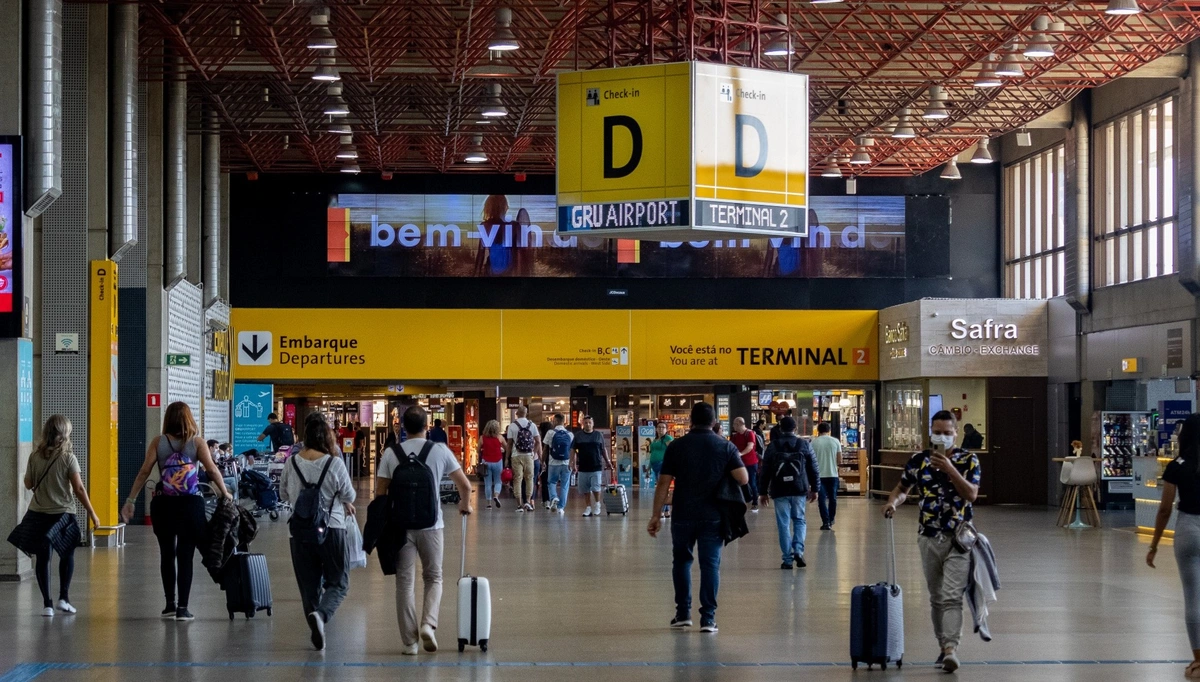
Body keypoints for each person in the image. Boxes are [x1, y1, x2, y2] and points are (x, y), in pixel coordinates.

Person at [883, 410, 981, 674]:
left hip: (959, 538)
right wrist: (893, 502)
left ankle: (951, 648)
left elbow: (971, 494)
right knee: (937, 597)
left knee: (951, 596)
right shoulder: (918, 461)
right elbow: (903, 489)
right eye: (937, 433)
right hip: (928, 536)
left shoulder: (969, 460)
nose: (942, 437)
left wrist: (950, 470)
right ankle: (942, 645)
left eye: (947, 433)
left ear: (956, 433)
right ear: (930, 432)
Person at [122, 402, 232, 621]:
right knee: (185, 554)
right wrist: (225, 492)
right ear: (189, 418)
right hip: (190, 505)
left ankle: (169, 604)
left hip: (164, 505)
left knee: (166, 553)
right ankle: (183, 608)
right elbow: (211, 470)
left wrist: (130, 499)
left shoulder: (159, 442)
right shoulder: (197, 443)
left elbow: (145, 471)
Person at [377, 406, 473, 656]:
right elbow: (464, 485)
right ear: (427, 425)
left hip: (400, 527)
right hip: (432, 524)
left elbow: (380, 494)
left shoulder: (391, 453)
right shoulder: (439, 450)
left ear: (402, 428)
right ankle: (428, 624)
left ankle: (409, 643)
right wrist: (465, 505)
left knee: (404, 583)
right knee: (434, 577)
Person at [647, 402, 748, 634]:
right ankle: (708, 619)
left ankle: (683, 614)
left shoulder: (677, 446)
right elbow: (743, 479)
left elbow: (663, 482)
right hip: (713, 514)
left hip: (683, 513)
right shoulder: (725, 446)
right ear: (714, 422)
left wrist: (656, 515)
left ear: (691, 421)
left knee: (682, 561)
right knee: (710, 564)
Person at [281, 413, 357, 651]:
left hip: (300, 531)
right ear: (327, 437)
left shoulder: (291, 462)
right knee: (339, 581)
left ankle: (315, 622)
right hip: (332, 528)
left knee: (309, 585)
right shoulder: (334, 463)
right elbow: (350, 496)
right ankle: (322, 616)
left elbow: (283, 494)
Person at [19, 415, 100, 617]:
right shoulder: (68, 458)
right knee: (67, 554)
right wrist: (92, 513)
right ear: (64, 434)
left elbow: (28, 484)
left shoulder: (34, 456)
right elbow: (79, 488)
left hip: (38, 514)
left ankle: (47, 604)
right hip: (63, 514)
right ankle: (64, 598)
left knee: (43, 558)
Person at [1149, 413, 1200, 678]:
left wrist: (1154, 544)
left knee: (1193, 596)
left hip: (1189, 528)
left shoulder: (1176, 465)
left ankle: (1198, 660)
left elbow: (1165, 509)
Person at [758, 417, 819, 569]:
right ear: (795, 429)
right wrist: (815, 488)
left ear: (780, 429)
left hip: (779, 489)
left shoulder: (773, 446)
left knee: (783, 523)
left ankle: (787, 559)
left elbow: (764, 470)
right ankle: (798, 549)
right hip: (799, 488)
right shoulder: (804, 444)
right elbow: (813, 468)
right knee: (799, 520)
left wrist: (763, 492)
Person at [571, 416, 613, 518]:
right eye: (586, 423)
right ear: (582, 424)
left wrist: (608, 461)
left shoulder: (598, 435)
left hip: (596, 466)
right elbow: (573, 450)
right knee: (585, 489)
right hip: (583, 466)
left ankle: (597, 504)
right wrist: (572, 463)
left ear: (593, 424)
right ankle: (588, 507)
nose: (588, 424)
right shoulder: (578, 436)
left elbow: (603, 450)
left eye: (590, 422)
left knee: (596, 487)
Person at [505, 405, 541, 512]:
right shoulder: (532, 425)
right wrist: (533, 453)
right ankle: (528, 502)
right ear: (526, 413)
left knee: (517, 479)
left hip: (516, 456)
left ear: (517, 413)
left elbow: (509, 444)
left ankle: (519, 505)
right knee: (530, 479)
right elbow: (538, 442)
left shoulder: (512, 425)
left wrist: (507, 458)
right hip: (529, 456)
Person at [811, 422, 842, 530]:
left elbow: (811, 461)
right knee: (833, 498)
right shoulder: (835, 441)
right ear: (829, 430)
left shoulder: (813, 443)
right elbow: (839, 460)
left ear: (818, 431)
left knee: (821, 499)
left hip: (819, 476)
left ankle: (825, 522)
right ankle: (831, 518)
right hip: (833, 474)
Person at [543, 413, 573, 514]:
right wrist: (573, 463)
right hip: (566, 463)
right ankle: (561, 508)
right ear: (564, 421)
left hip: (553, 463)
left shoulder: (550, 433)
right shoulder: (570, 434)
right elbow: (573, 451)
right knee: (564, 485)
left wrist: (543, 461)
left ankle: (554, 497)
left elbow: (545, 450)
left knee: (551, 482)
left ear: (555, 421)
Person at [730, 417, 760, 513]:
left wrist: (740, 454)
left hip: (750, 462)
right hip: (740, 463)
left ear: (739, 424)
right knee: (741, 483)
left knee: (752, 482)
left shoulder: (749, 433)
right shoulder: (735, 436)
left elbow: (750, 446)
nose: (733, 426)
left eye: (734, 424)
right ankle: (744, 501)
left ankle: (755, 502)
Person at [478, 420, 505, 509]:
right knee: (498, 481)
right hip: (498, 461)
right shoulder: (500, 437)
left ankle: (489, 504)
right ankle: (496, 496)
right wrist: (502, 450)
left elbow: (478, 450)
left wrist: (482, 453)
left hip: (486, 462)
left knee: (487, 483)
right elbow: (507, 447)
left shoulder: (482, 438)